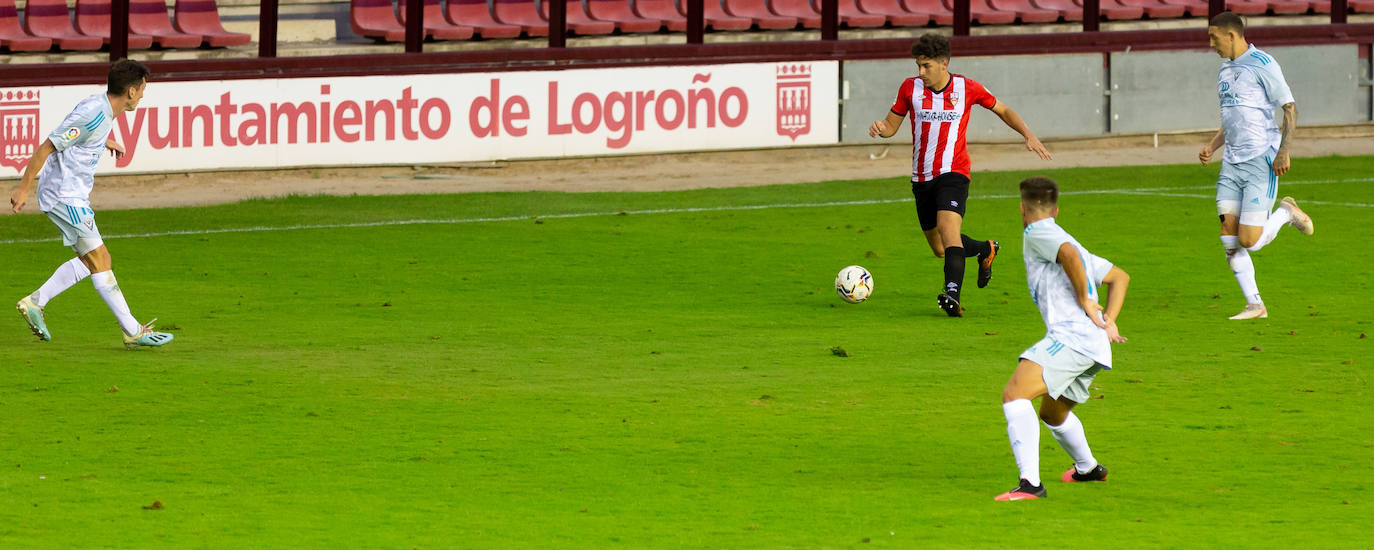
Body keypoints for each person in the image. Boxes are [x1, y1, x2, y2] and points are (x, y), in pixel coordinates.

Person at [869, 33, 1052, 318]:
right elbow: (892, 125)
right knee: (940, 248)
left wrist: (1027, 134)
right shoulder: (909, 88)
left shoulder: (967, 88)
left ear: (944, 63)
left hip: (954, 173)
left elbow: (1002, 109)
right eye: (918, 65)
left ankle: (951, 294)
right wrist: (881, 128)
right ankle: (984, 249)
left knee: (949, 229)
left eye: (926, 66)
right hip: (921, 178)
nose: (921, 72)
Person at [10, 59, 174, 349]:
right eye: (143, 89)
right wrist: (23, 188)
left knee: (89, 263)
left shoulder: (100, 107)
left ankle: (36, 302)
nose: (144, 94)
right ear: (132, 91)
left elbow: (81, 135)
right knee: (101, 260)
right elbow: (47, 146)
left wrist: (104, 142)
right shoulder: (94, 114)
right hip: (64, 196)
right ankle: (133, 331)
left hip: (70, 193)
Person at [995, 177, 1130, 501]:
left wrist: (1086, 300)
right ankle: (1089, 469)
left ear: (1022, 209)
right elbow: (1119, 277)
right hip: (1093, 344)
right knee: (1052, 414)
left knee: (1015, 394)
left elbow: (1067, 255)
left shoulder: (1038, 232)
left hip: (1073, 338)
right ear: (1056, 209)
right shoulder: (1065, 237)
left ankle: (1030, 485)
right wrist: (1107, 318)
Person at [1199, 11, 1314, 320]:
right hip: (1232, 163)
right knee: (1228, 233)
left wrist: (1284, 151)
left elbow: (1289, 108)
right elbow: (1233, 118)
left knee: (1248, 240)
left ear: (1232, 35)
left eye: (1214, 38)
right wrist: (1212, 146)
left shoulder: (1263, 65)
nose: (1210, 44)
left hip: (1261, 159)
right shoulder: (1225, 70)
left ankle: (1287, 213)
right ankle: (1255, 305)